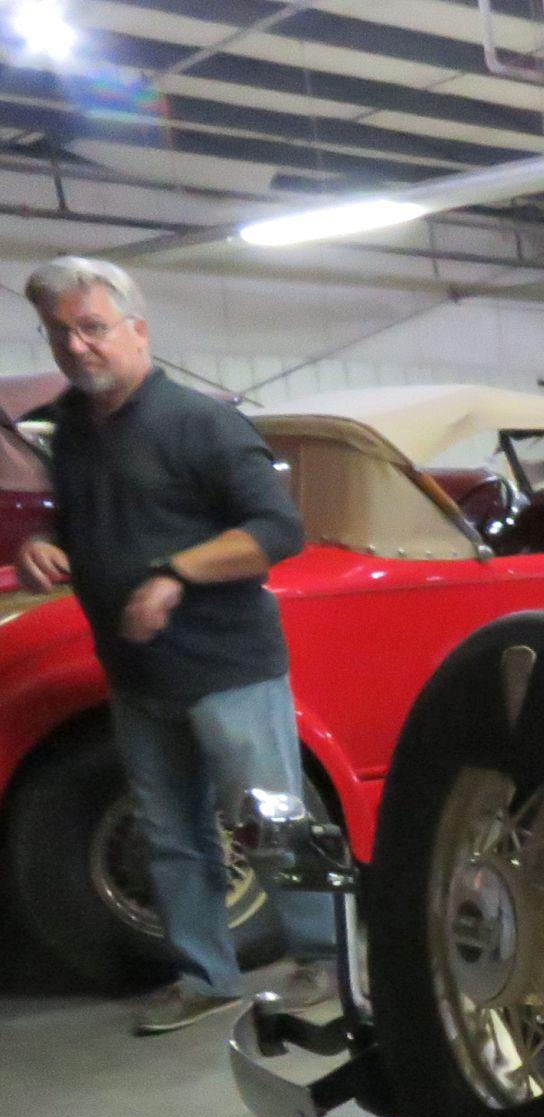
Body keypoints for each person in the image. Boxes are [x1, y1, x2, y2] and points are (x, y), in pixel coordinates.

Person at [12, 256, 331, 1035]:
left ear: (137, 329)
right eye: (61, 332)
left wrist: (174, 574)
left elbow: (277, 532)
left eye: (93, 327)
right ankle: (205, 973)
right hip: (138, 673)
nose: (77, 346)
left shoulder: (204, 423)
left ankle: (324, 960)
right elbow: (92, 514)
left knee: (269, 824)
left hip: (226, 668)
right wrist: (47, 544)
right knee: (172, 836)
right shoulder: (76, 428)